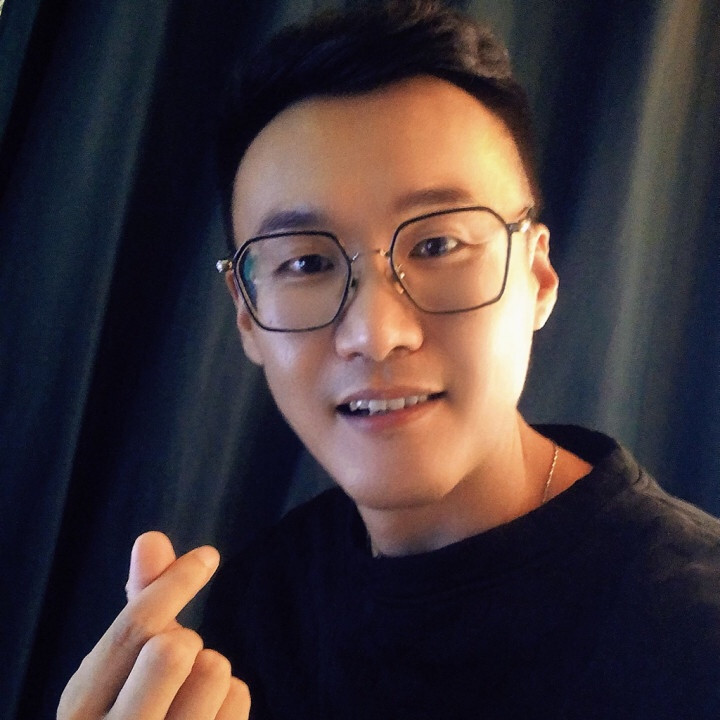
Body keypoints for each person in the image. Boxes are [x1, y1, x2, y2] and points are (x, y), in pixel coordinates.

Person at [58, 2, 720, 718]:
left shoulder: (693, 630)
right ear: (246, 316)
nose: (375, 335)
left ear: (537, 278)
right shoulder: (244, 626)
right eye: (306, 262)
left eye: (437, 245)